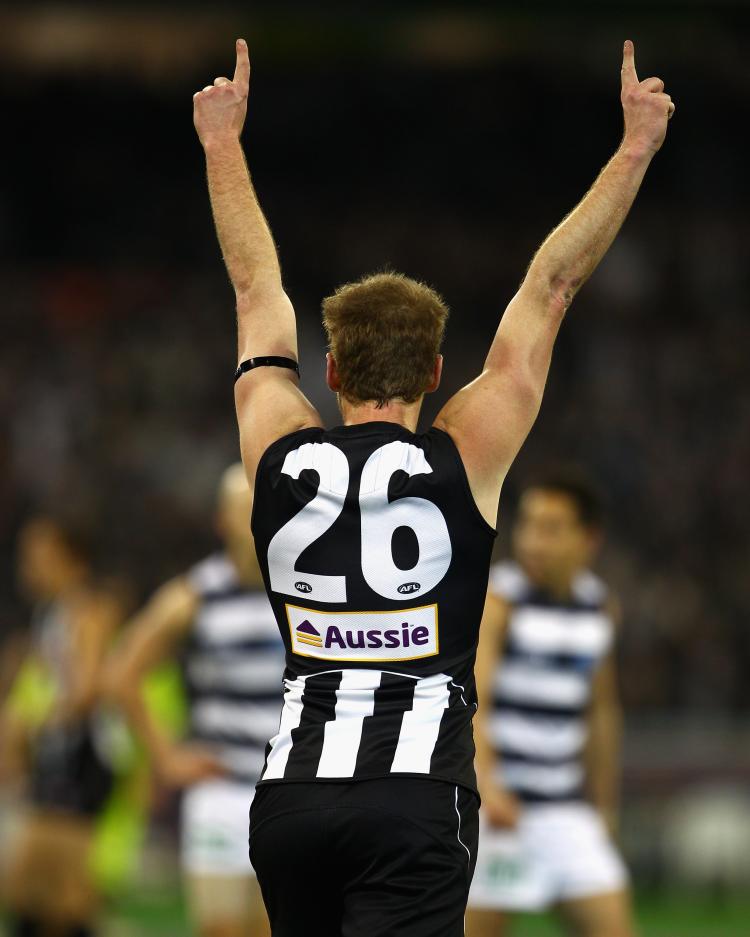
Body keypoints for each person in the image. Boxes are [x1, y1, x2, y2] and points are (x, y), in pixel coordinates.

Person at [191, 37, 673, 937]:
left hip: (291, 793)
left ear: (328, 369)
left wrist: (223, 145)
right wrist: (634, 147)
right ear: (440, 371)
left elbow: (257, 286)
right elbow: (552, 287)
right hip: (415, 795)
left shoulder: (279, 446)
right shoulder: (466, 453)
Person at [106, 464, 283, 937]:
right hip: (222, 790)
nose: (257, 523)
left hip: (289, 791)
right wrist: (167, 759)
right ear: (221, 521)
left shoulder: (305, 590)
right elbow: (122, 673)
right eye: (244, 511)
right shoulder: (196, 595)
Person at [466, 472, 634, 937]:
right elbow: (472, 696)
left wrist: (605, 806)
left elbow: (601, 711)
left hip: (563, 809)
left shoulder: (599, 607)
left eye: (552, 528)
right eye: (529, 526)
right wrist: (488, 782)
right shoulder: (501, 598)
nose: (534, 541)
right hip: (499, 810)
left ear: (588, 539)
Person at [1, 513, 122, 937]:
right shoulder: (50, 614)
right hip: (58, 760)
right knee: (41, 894)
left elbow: (86, 691)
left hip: (82, 759)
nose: (29, 566)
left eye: (39, 555)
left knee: (54, 889)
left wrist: (32, 724)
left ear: (71, 559)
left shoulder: (88, 611)